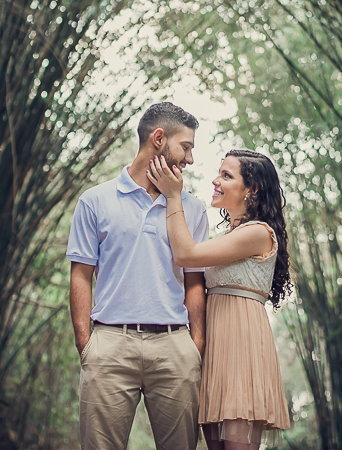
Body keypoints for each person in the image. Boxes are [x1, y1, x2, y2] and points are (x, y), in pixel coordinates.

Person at [67, 102, 210, 450]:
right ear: (158, 139)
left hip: (175, 346)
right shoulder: (94, 201)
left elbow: (195, 281)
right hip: (110, 345)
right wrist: (87, 343)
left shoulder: (192, 208)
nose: (190, 159)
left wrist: (196, 343)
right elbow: (81, 275)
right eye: (186, 147)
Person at [147, 149, 293, 450]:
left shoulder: (258, 232)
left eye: (226, 176)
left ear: (251, 189)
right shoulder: (228, 234)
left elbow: (186, 255)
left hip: (242, 347)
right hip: (215, 348)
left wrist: (174, 197)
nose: (216, 181)